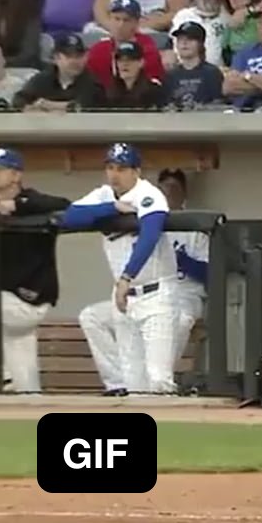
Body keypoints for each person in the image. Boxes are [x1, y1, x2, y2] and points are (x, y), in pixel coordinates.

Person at [63, 143, 178, 395]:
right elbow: (69, 217)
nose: (114, 174)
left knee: (158, 380)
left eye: (122, 168)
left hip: (156, 295)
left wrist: (127, 276)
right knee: (134, 381)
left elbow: (149, 236)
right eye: (110, 167)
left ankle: (171, 429)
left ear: (136, 171)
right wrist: (111, 209)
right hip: (124, 298)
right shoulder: (104, 195)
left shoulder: (149, 194)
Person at [0, 147, 71, 394]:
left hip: (30, 297)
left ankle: (5, 377)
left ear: (16, 175)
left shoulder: (33, 201)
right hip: (6, 302)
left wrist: (17, 205)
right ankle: (28, 397)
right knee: (25, 377)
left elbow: (64, 205)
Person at [157, 169, 208, 373]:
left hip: (186, 295)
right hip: (155, 295)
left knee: (178, 322)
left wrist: (182, 260)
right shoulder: (151, 224)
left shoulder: (195, 227)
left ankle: (162, 378)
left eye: (174, 188)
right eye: (164, 188)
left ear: (184, 193)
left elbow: (210, 273)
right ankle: (123, 384)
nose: (169, 193)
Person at [86, 0, 166, 90]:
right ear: (110, 20)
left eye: (126, 20)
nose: (120, 25)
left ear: (136, 23)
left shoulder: (147, 49)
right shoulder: (98, 50)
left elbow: (153, 85)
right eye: (117, 19)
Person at [13, 33, 101, 111]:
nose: (75, 62)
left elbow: (84, 106)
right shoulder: (43, 79)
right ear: (56, 58)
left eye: (79, 56)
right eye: (69, 56)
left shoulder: (92, 82)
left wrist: (47, 105)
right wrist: (30, 109)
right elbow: (19, 100)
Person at [163, 21, 224, 109]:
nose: (184, 43)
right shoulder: (170, 75)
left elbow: (219, 103)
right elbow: (166, 105)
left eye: (190, 39)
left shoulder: (212, 73)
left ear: (200, 43)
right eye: (180, 39)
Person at [97, 40, 168, 109]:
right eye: (120, 60)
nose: (125, 64)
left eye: (130, 60)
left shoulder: (153, 92)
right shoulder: (108, 93)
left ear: (141, 62)